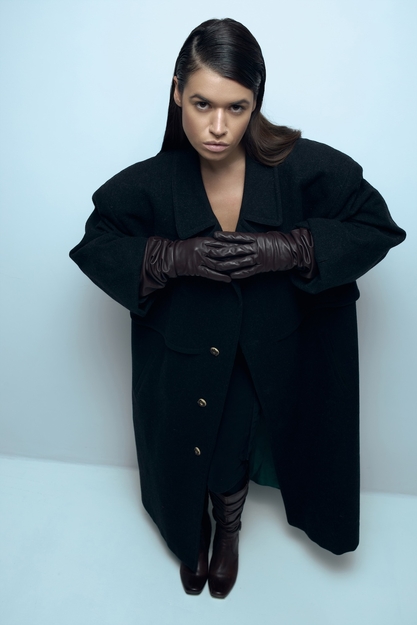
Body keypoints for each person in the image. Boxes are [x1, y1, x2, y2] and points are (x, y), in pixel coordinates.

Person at [70, 18, 406, 599]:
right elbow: (95, 244)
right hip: (187, 349)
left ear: (257, 101)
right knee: (189, 435)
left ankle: (229, 531)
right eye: (202, 104)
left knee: (236, 435)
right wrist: (170, 257)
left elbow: (377, 226)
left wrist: (293, 248)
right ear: (177, 91)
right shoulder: (147, 184)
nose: (218, 127)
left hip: (274, 347)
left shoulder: (305, 167)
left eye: (237, 107)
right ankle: (193, 529)